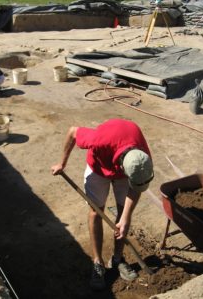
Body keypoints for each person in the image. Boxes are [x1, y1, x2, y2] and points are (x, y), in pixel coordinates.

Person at [51, 118, 154, 291]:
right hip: (98, 168)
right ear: (121, 165)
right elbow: (73, 131)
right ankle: (97, 262)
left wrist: (126, 217)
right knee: (96, 211)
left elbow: (137, 187)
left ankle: (117, 259)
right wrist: (62, 163)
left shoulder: (142, 160)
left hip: (123, 171)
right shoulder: (99, 140)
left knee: (123, 214)